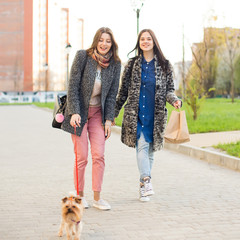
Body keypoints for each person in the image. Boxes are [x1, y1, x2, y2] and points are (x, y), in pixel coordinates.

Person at [114, 29, 182, 202]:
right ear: (139, 43)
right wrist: (113, 113)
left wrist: (174, 100)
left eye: (148, 39)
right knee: (142, 146)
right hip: (136, 115)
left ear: (154, 42)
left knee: (150, 152)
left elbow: (169, 91)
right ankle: (147, 180)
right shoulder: (131, 65)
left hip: (156, 115)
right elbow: (123, 92)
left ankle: (143, 188)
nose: (145, 41)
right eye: (142, 39)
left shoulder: (165, 65)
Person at [61, 27, 121, 210]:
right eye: (101, 40)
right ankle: (80, 197)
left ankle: (97, 198)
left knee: (99, 155)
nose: (104, 44)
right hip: (80, 112)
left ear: (112, 44)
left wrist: (109, 120)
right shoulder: (82, 57)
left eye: (108, 41)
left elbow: (112, 95)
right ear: (96, 41)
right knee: (82, 157)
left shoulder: (115, 64)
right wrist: (74, 112)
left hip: (98, 115)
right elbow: (72, 86)